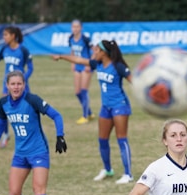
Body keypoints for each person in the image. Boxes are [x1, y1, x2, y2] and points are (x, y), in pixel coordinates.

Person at [53, 39, 134, 184]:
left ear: (104, 53)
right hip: (106, 107)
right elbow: (78, 59)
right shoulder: (97, 64)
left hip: (120, 106)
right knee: (102, 140)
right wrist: (61, 56)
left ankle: (128, 174)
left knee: (122, 140)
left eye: (96, 50)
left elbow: (134, 80)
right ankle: (108, 170)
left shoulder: (118, 66)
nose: (93, 52)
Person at [67, 19, 95, 124]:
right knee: (77, 93)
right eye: (73, 27)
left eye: (77, 26)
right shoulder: (70, 38)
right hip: (77, 66)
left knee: (84, 91)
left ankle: (84, 116)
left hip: (86, 67)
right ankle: (89, 112)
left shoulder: (86, 39)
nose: (75, 29)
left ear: (81, 28)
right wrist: (72, 63)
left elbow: (95, 51)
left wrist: (90, 63)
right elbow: (73, 51)